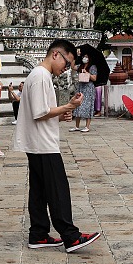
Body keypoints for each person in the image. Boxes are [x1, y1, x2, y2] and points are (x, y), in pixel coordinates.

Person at [12, 39, 101, 252]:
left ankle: (39, 233)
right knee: (57, 189)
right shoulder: (41, 76)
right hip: (43, 144)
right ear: (55, 55)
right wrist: (68, 106)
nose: (66, 69)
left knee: (40, 190)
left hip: (36, 141)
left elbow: (40, 112)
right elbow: (41, 112)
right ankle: (70, 236)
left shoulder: (38, 75)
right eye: (66, 62)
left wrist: (61, 113)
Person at [71, 51, 98, 132]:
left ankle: (87, 126)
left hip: (89, 88)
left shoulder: (93, 67)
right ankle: (77, 126)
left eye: (86, 57)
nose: (84, 58)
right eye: (84, 57)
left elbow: (94, 78)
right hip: (81, 86)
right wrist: (75, 56)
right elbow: (73, 67)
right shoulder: (81, 66)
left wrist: (87, 73)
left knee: (88, 106)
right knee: (78, 105)